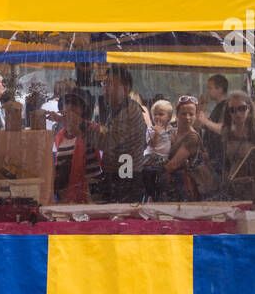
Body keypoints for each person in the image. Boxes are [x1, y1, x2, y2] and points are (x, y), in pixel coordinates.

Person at [91, 66, 146, 202]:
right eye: (105, 84)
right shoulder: (117, 109)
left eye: (110, 84)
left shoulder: (128, 111)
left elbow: (107, 142)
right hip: (118, 178)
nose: (105, 88)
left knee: (122, 219)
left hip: (125, 179)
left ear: (125, 88)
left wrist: (82, 126)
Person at [52, 92, 101, 204]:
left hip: (90, 192)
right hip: (66, 192)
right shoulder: (60, 135)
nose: (70, 106)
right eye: (67, 103)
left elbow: (86, 135)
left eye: (75, 103)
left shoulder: (91, 127)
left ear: (82, 109)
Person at [164, 96, 212, 201]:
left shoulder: (192, 137)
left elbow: (173, 165)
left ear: (195, 116)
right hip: (174, 187)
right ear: (177, 115)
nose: (187, 117)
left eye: (191, 114)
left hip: (185, 189)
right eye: (183, 114)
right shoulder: (172, 132)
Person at [220, 90, 255, 202]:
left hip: (254, 190)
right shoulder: (226, 133)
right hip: (232, 189)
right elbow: (225, 164)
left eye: (242, 108)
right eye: (233, 110)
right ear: (228, 113)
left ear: (249, 108)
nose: (238, 113)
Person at [142, 98, 175, 199]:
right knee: (148, 177)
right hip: (151, 158)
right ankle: (149, 195)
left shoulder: (170, 129)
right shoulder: (151, 129)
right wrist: (157, 133)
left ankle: (161, 195)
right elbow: (151, 144)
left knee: (163, 180)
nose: (157, 117)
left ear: (169, 117)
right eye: (155, 114)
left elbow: (173, 142)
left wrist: (172, 136)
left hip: (164, 159)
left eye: (161, 114)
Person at [196, 74, 229, 166]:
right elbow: (198, 125)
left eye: (210, 88)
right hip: (212, 156)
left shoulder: (227, 106)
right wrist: (201, 108)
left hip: (221, 159)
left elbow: (224, 129)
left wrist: (206, 121)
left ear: (220, 89)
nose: (207, 91)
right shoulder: (218, 107)